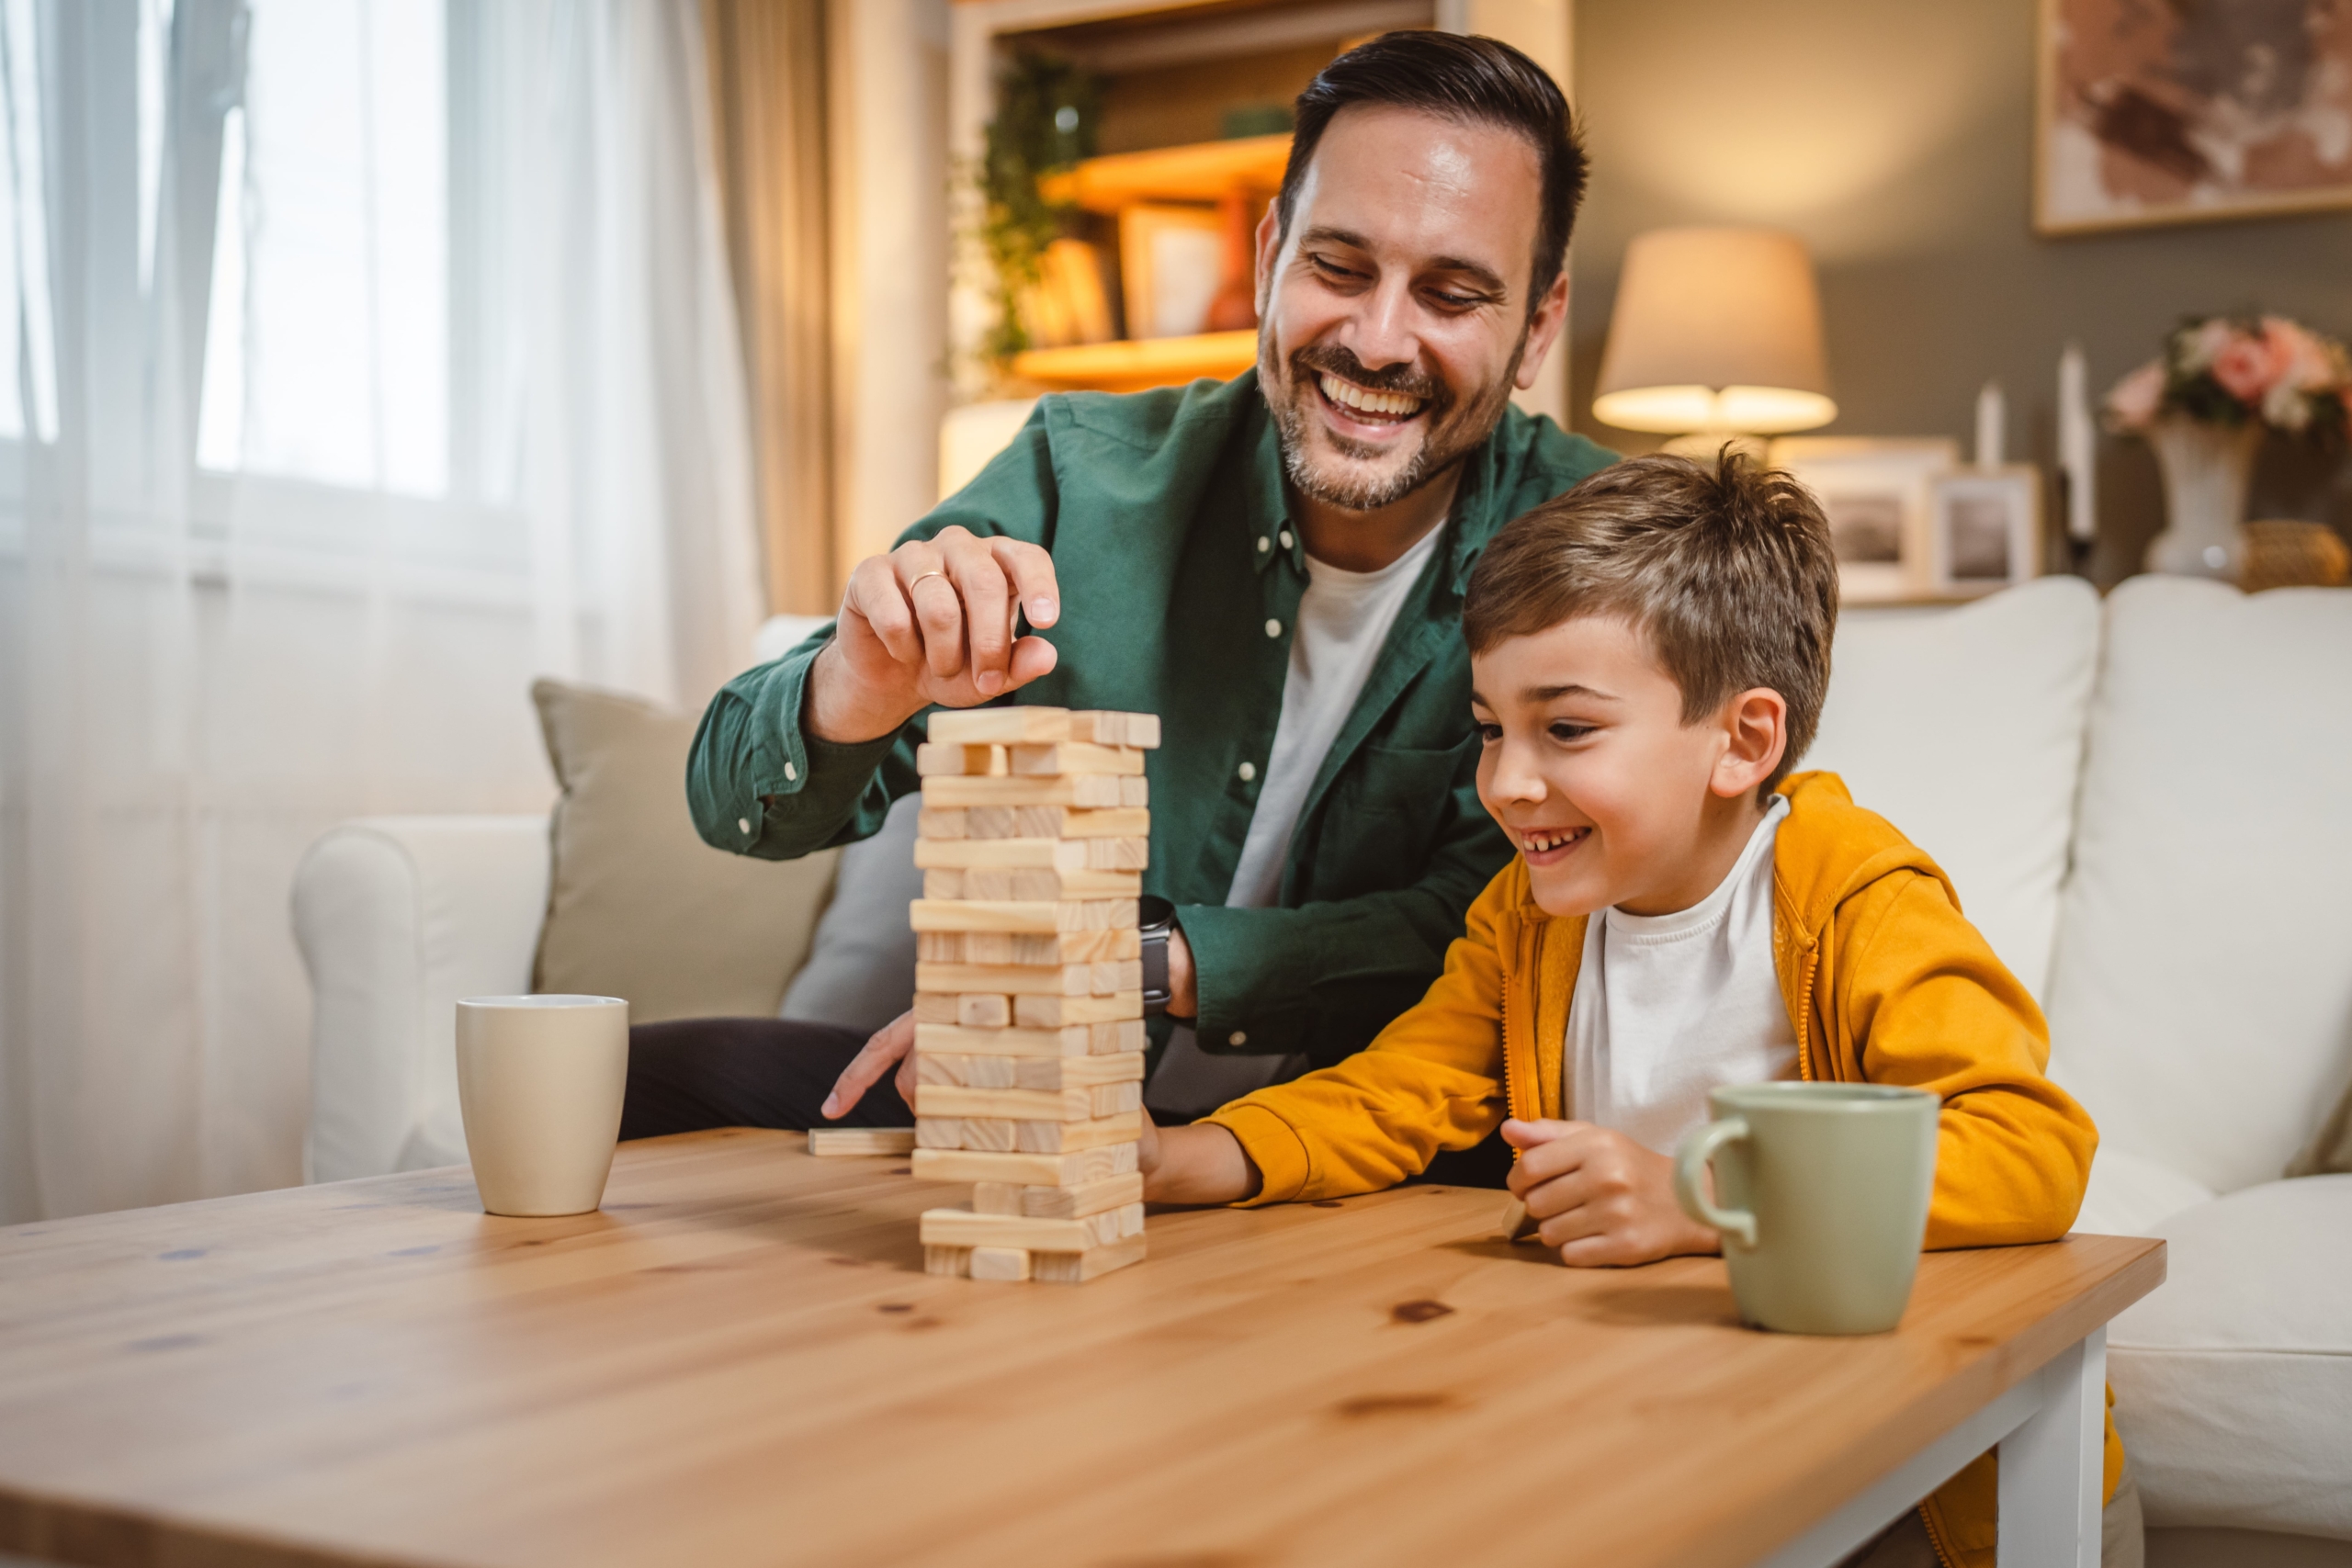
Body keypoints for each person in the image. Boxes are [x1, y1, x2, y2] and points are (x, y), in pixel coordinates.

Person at [1136, 452, 2140, 1568]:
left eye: (1565, 730)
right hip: (1694, 1426)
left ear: (1743, 741)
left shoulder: (1855, 893)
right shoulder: (1529, 911)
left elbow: (2030, 1146)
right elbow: (1400, 1089)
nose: (1508, 782)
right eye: (1488, 728)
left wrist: (1698, 1198)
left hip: (1938, 1481)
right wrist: (1185, 1161)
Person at [624, 31, 1615, 1159]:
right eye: (1338, 268)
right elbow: (730, 799)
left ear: (1537, 323)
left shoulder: (1602, 544)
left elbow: (1508, 928)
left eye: (1450, 293)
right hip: (1033, 1102)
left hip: (1385, 1140)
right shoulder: (1081, 472)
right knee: (637, 1082)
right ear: (1268, 257)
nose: (1377, 339)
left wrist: (1150, 966)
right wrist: (856, 682)